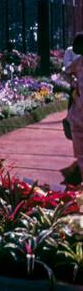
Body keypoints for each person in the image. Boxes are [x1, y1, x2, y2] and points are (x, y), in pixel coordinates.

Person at [64, 33, 83, 183]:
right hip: (79, 110)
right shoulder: (78, 62)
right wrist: (73, 82)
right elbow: (66, 73)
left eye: (77, 45)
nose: (74, 48)